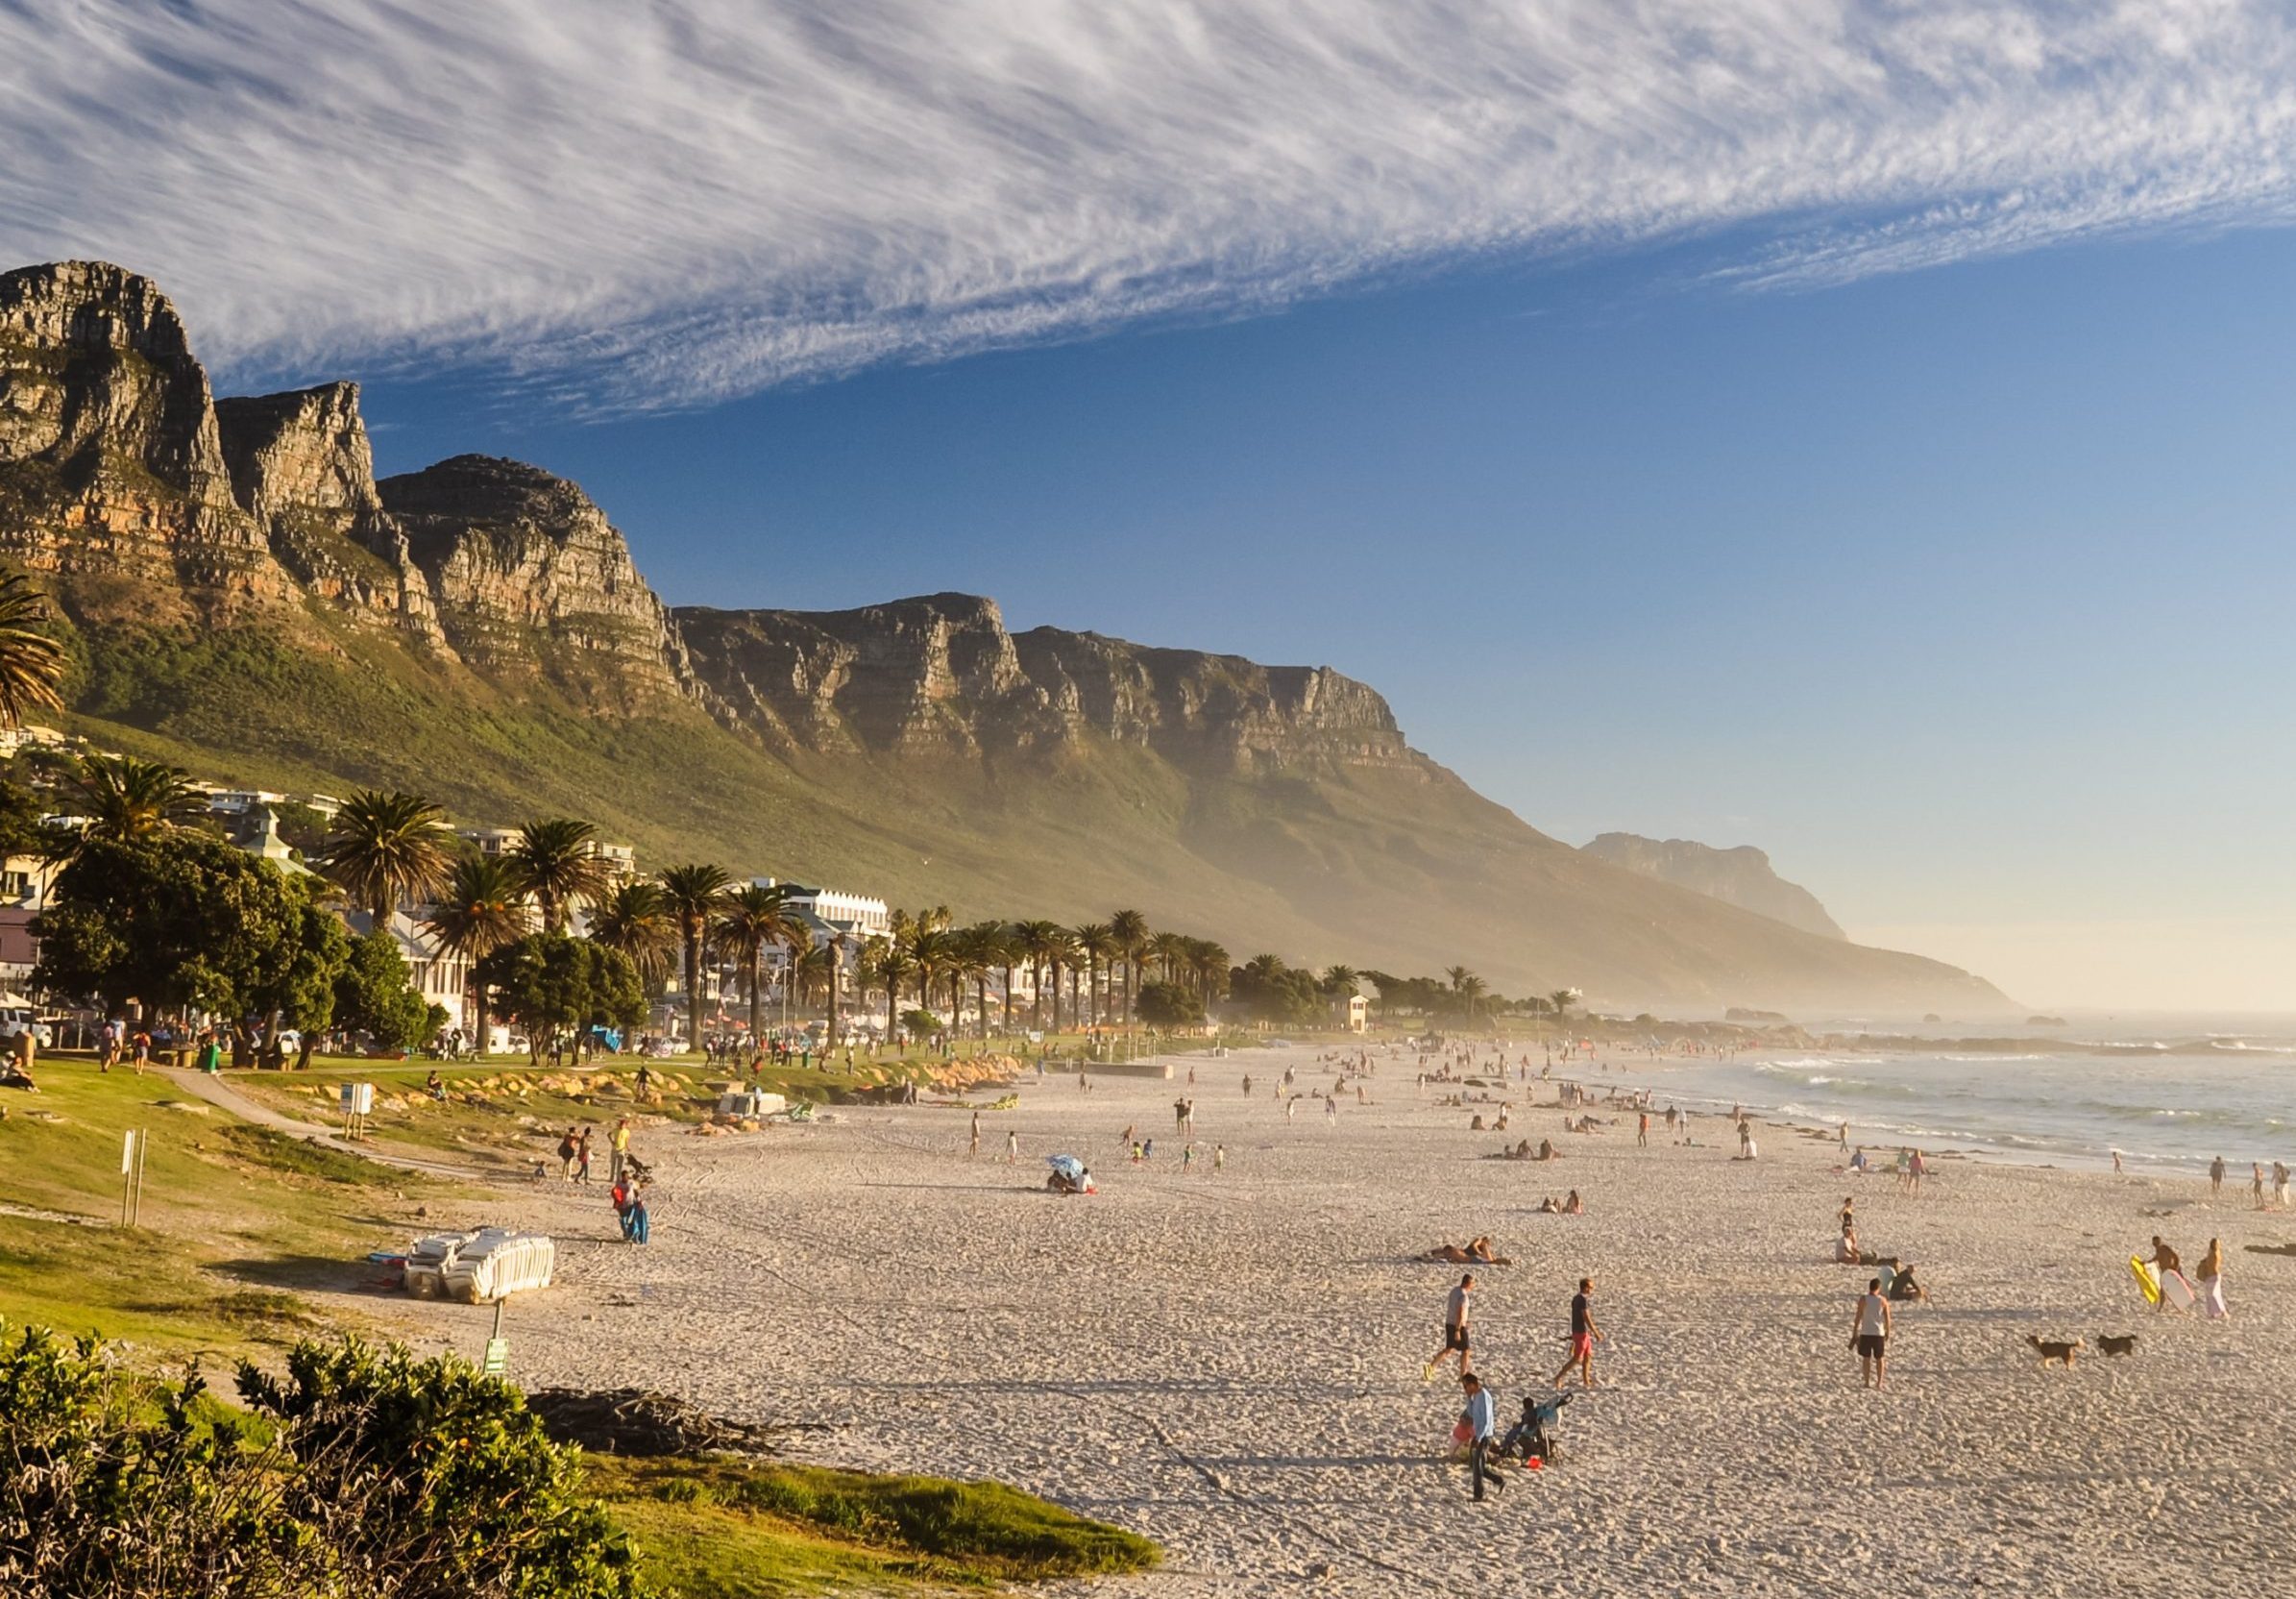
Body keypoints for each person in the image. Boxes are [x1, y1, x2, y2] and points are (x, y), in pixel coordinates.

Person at [1424, 1273, 1476, 1381]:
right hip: (1457, 1326)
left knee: (1449, 1349)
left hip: (1449, 1323)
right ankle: (1463, 1375)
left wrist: (1466, 1321)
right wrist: (1458, 1329)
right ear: (1468, 1283)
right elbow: (1460, 1312)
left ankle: (1431, 1367)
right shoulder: (1464, 1296)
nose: (1473, 1286)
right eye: (1473, 1283)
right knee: (1466, 1350)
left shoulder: (1454, 1291)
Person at [1459, 1372, 1503, 1500]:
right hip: (1478, 1434)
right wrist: (1469, 1399)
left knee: (1477, 1466)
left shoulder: (1484, 1396)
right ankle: (1498, 1480)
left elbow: (1486, 1420)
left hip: (1485, 1435)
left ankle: (1478, 1495)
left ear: (1472, 1385)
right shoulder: (1476, 1397)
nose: (1465, 1389)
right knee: (1476, 1466)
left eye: (1466, 1386)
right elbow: (1471, 1413)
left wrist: (1479, 1437)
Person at [1551, 1277, 1601, 1389]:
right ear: (1585, 1288)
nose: (1592, 1290)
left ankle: (1586, 1381)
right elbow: (1586, 1317)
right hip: (1581, 1332)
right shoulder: (1582, 1300)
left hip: (1582, 1332)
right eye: (1591, 1288)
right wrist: (1596, 1332)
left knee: (1588, 1356)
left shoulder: (1576, 1298)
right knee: (1577, 1358)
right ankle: (1558, 1377)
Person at [1852, 1277, 1892, 1388]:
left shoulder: (1863, 1299)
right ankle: (1879, 1382)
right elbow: (1887, 1318)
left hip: (1866, 1332)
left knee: (1866, 1358)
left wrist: (1855, 1330)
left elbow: (1858, 1316)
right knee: (1880, 1358)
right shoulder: (1883, 1300)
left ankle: (1867, 1382)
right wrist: (1888, 1331)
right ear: (1878, 1288)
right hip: (1878, 1332)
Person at [2145, 1237, 2188, 1314]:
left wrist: (2176, 1267)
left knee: (2175, 1289)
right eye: (2154, 1243)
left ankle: (2181, 1307)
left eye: (2156, 1242)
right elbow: (2156, 1258)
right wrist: (2147, 1262)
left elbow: (2175, 1256)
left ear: (2160, 1242)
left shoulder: (2165, 1248)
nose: (2155, 1244)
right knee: (2163, 1290)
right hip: (2165, 1273)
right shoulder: (2158, 1250)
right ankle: (2161, 1307)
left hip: (2171, 1271)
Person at [2197, 1238, 2229, 1319]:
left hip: (2213, 1276)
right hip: (2212, 1276)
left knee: (2212, 1294)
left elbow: (2210, 1263)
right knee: (2211, 1294)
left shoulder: (2214, 1253)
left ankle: (2220, 1311)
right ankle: (2214, 1312)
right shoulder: (2213, 1253)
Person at [610, 1118, 631, 1182]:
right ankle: (611, 1178)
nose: (621, 1126)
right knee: (613, 1165)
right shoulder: (615, 1130)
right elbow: (608, 1134)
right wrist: (612, 1141)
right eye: (621, 1124)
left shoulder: (627, 1132)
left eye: (623, 1125)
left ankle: (618, 1179)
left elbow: (626, 1140)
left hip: (621, 1150)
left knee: (620, 1166)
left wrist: (628, 1147)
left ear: (625, 1125)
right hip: (614, 1149)